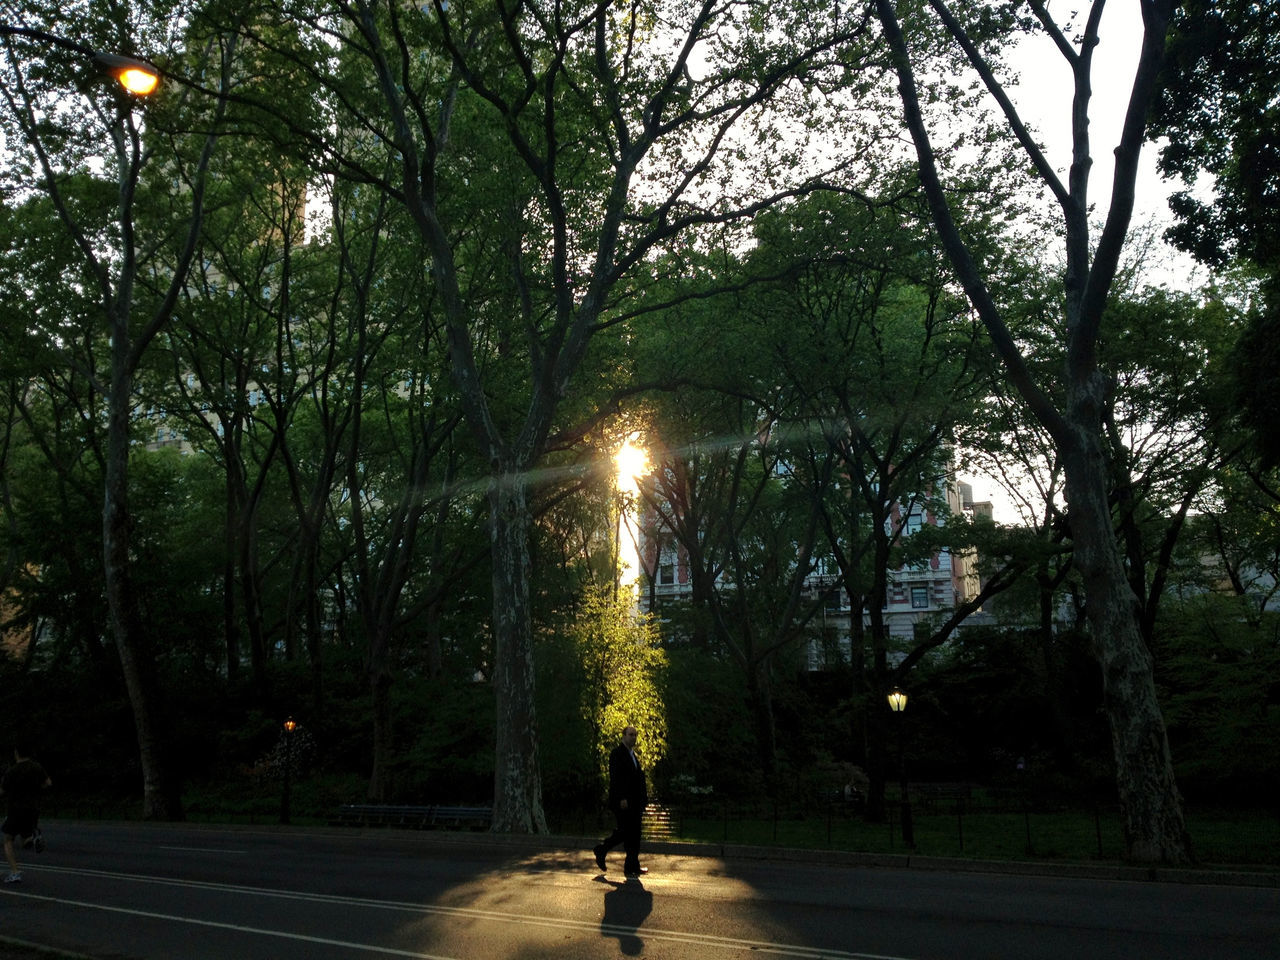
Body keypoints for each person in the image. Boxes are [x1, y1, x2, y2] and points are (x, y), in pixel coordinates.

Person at [593, 724, 648, 877]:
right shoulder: (617, 754)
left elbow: (637, 779)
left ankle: (632, 865)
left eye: (635, 735)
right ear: (623, 736)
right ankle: (602, 850)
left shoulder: (633, 755)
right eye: (631, 734)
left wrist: (643, 800)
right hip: (623, 802)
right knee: (625, 832)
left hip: (635, 802)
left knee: (634, 833)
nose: (634, 737)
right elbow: (616, 778)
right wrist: (622, 797)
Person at [2, 746, 51, 884]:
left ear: (16, 753)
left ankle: (15, 872)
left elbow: (2, 790)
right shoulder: (36, 767)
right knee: (24, 839)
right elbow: (48, 783)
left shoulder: (12, 771)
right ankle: (34, 837)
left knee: (7, 839)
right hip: (33, 809)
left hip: (15, 809)